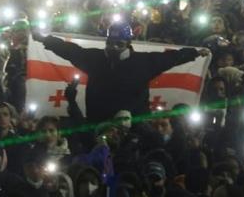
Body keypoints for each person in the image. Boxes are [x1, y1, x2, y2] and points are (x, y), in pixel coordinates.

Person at [31, 22, 209, 122]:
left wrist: (193, 53)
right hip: (98, 124)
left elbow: (171, 58)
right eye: (110, 43)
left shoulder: (143, 62)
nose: (113, 47)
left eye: (119, 44)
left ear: (128, 43)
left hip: (133, 127)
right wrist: (44, 39)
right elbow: (69, 50)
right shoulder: (95, 58)